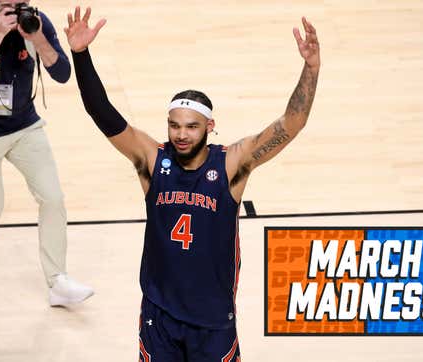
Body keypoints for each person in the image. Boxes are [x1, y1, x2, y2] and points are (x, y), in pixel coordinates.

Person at [64, 6, 320, 360]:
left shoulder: (231, 164)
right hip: (160, 316)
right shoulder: (153, 161)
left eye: (191, 126)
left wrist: (310, 69)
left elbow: (291, 124)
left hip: (212, 321)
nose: (181, 135)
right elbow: (103, 113)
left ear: (210, 127)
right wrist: (80, 54)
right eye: (174, 125)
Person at [0, 0, 93, 307]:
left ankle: (57, 281)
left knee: (53, 198)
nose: (14, 7)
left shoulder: (37, 21)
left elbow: (62, 73)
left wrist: (38, 38)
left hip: (24, 127)